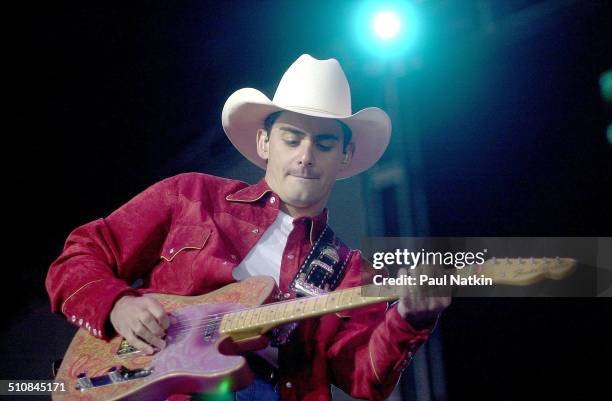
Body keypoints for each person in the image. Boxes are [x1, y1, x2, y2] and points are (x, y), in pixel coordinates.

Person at [46, 54, 451, 401]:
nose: (306, 156)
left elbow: (364, 378)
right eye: (292, 139)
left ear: (344, 156)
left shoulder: (349, 270)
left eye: (324, 144)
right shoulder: (190, 195)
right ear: (264, 142)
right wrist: (119, 306)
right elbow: (78, 255)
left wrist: (409, 317)